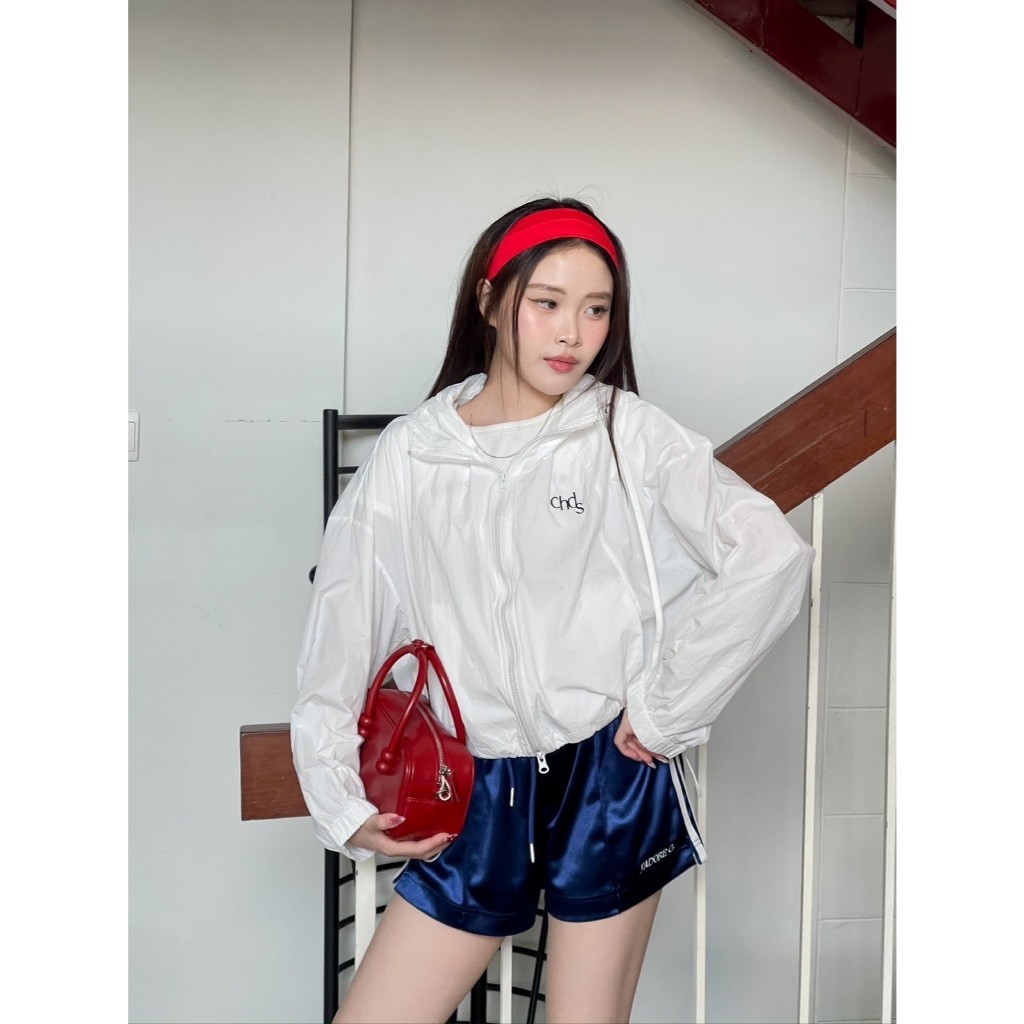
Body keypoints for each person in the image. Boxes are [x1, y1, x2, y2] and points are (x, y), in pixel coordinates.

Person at [292, 197, 815, 1023]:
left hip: (610, 775)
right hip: (474, 781)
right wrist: (340, 799)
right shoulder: (412, 455)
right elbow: (346, 621)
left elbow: (770, 555)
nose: (573, 333)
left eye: (596, 309)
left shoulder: (625, 432)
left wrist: (667, 708)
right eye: (547, 302)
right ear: (490, 299)